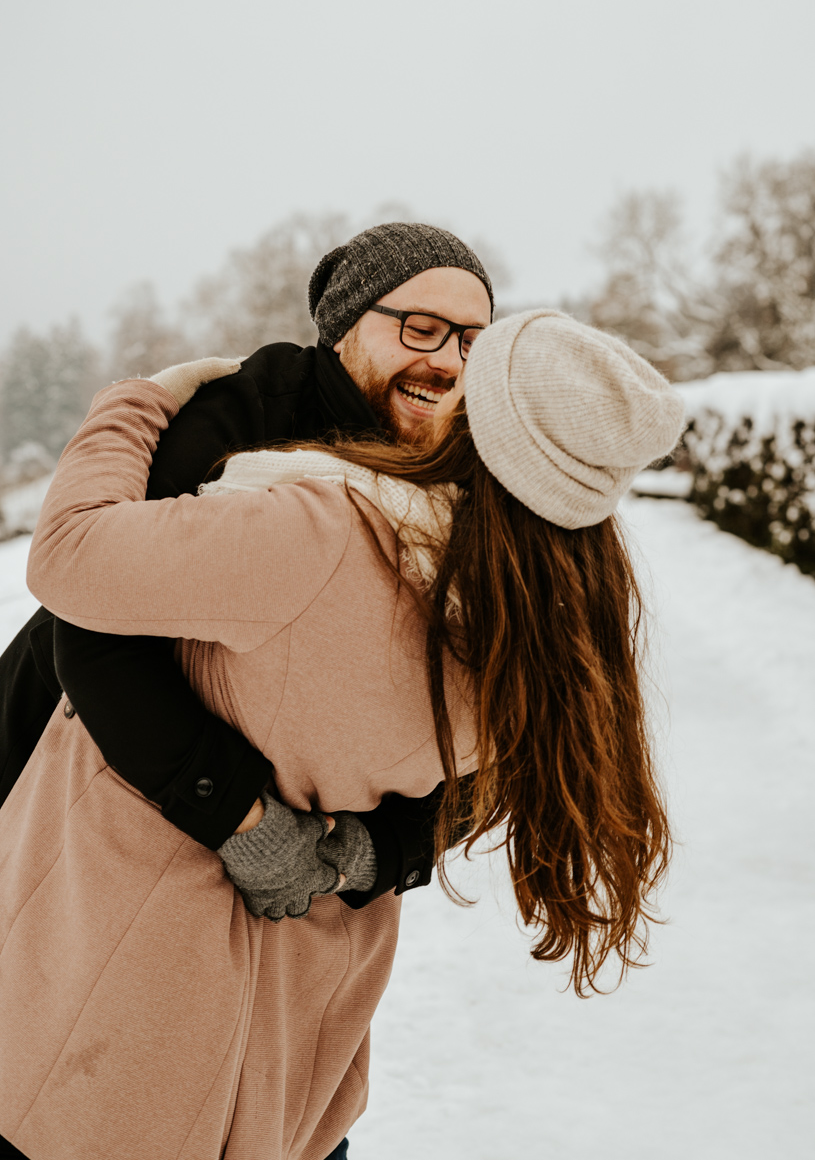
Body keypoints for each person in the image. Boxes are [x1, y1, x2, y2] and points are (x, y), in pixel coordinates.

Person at [0, 307, 685, 1160]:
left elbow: (66, 556)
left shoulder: (321, 531)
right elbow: (484, 788)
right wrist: (366, 851)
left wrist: (138, 402)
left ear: (479, 418)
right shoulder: (547, 625)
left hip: (120, 1007)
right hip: (305, 1040)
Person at [0, 222, 495, 912]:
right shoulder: (245, 411)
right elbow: (92, 626)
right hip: (75, 765)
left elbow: (508, 702)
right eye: (420, 328)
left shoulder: (472, 465)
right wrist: (238, 815)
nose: (448, 362)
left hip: (299, 869)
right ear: (345, 325)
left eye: (472, 341)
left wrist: (382, 849)